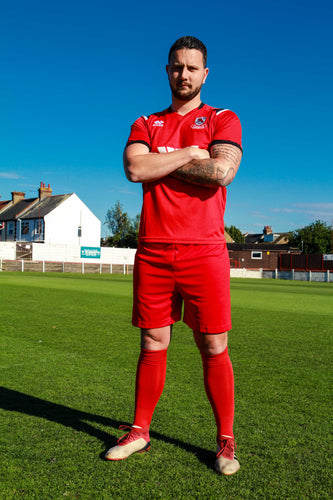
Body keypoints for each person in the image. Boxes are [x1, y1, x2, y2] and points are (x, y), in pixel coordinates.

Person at [105, 36, 243, 476]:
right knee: (152, 342)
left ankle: (225, 442)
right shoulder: (146, 122)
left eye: (191, 68)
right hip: (154, 251)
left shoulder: (223, 117)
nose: (183, 74)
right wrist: (185, 153)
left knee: (213, 345)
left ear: (205, 73)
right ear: (167, 71)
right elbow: (133, 169)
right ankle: (140, 432)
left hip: (205, 251)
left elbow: (220, 172)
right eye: (176, 67)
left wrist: (158, 161)